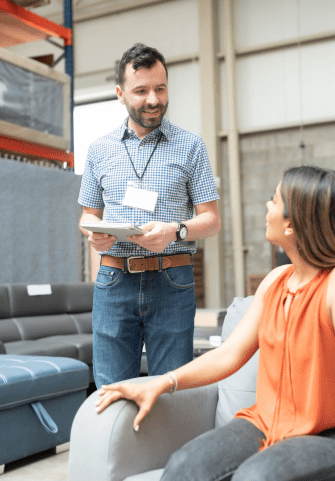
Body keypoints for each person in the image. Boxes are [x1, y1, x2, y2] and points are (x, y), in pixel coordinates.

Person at [95, 166, 335, 481]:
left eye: (273, 200)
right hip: (262, 423)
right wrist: (161, 382)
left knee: (255, 480)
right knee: (185, 464)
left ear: (291, 224)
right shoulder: (276, 281)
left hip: (331, 437)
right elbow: (230, 354)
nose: (266, 207)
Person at [78, 43, 221, 389]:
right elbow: (87, 216)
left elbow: (212, 220)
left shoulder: (191, 146)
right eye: (141, 91)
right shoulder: (99, 150)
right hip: (114, 283)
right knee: (110, 392)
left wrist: (176, 231)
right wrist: (94, 233)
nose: (153, 99)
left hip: (172, 283)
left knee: (171, 391)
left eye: (160, 88)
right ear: (120, 93)